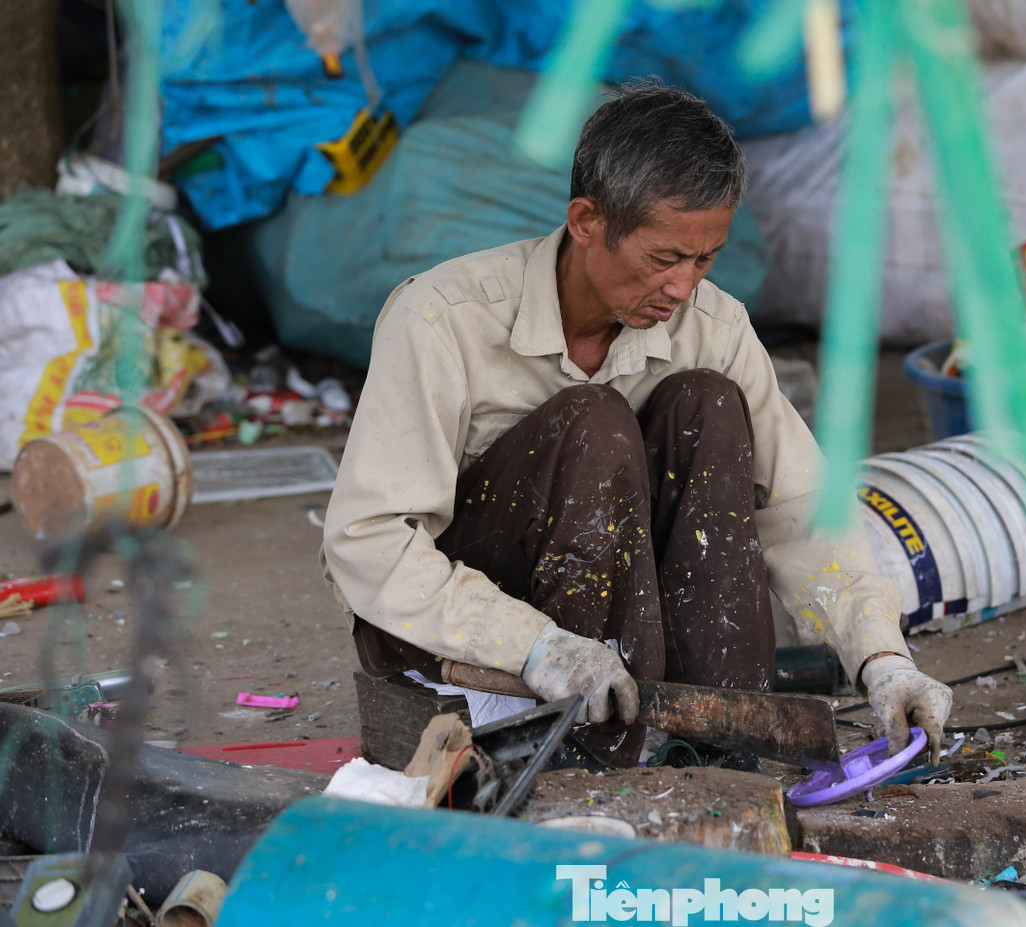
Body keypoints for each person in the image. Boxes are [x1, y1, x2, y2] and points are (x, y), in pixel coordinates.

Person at [321, 80, 952, 769]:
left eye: (704, 258)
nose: (683, 288)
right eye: (663, 258)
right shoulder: (444, 317)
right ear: (587, 221)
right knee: (596, 423)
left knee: (708, 404)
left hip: (631, 628)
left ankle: (723, 738)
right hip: (479, 635)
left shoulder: (713, 325)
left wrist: (882, 658)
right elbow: (369, 540)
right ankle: (594, 746)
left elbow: (805, 511)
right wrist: (533, 643)